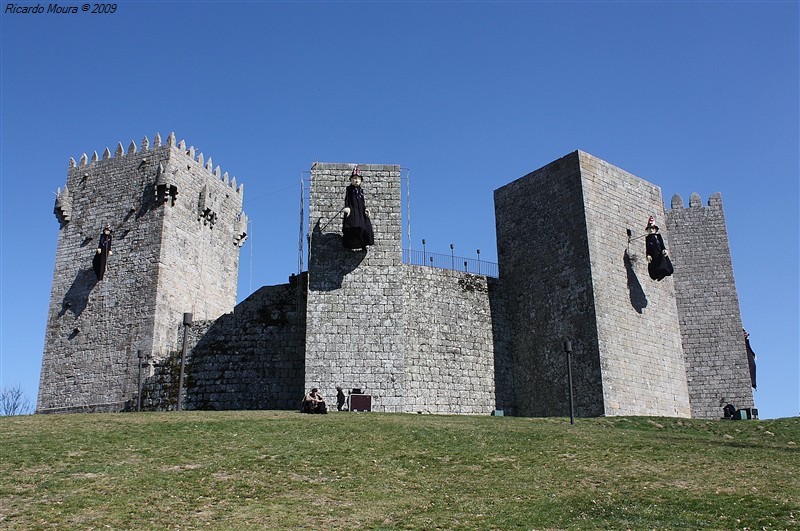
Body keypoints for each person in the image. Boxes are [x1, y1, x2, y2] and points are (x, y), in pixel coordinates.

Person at [342, 167, 374, 250]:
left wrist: (366, 209)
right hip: (353, 211)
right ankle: (350, 244)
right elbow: (347, 199)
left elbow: (362, 202)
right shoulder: (349, 189)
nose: (356, 180)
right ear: (351, 180)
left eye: (358, 179)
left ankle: (364, 243)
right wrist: (347, 207)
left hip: (361, 212)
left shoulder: (361, 191)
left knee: (366, 227)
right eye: (355, 178)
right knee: (355, 226)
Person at [644, 216, 673, 281]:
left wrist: (664, 249)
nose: (651, 230)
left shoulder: (658, 236)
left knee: (663, 265)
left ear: (655, 230)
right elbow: (647, 248)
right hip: (653, 255)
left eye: (652, 229)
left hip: (660, 253)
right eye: (649, 229)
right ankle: (658, 275)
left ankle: (662, 274)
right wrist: (648, 255)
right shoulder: (648, 238)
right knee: (655, 268)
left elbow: (662, 244)